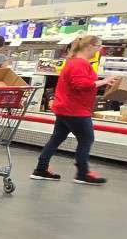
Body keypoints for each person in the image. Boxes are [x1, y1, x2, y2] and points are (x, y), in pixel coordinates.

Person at [30, 33, 119, 185]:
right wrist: (104, 81)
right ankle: (82, 173)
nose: (100, 50)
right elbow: (81, 85)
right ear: (90, 46)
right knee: (86, 139)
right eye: (99, 46)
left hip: (65, 107)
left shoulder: (73, 62)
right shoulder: (80, 63)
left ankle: (41, 168)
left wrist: (100, 83)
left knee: (57, 138)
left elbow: (80, 82)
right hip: (75, 109)